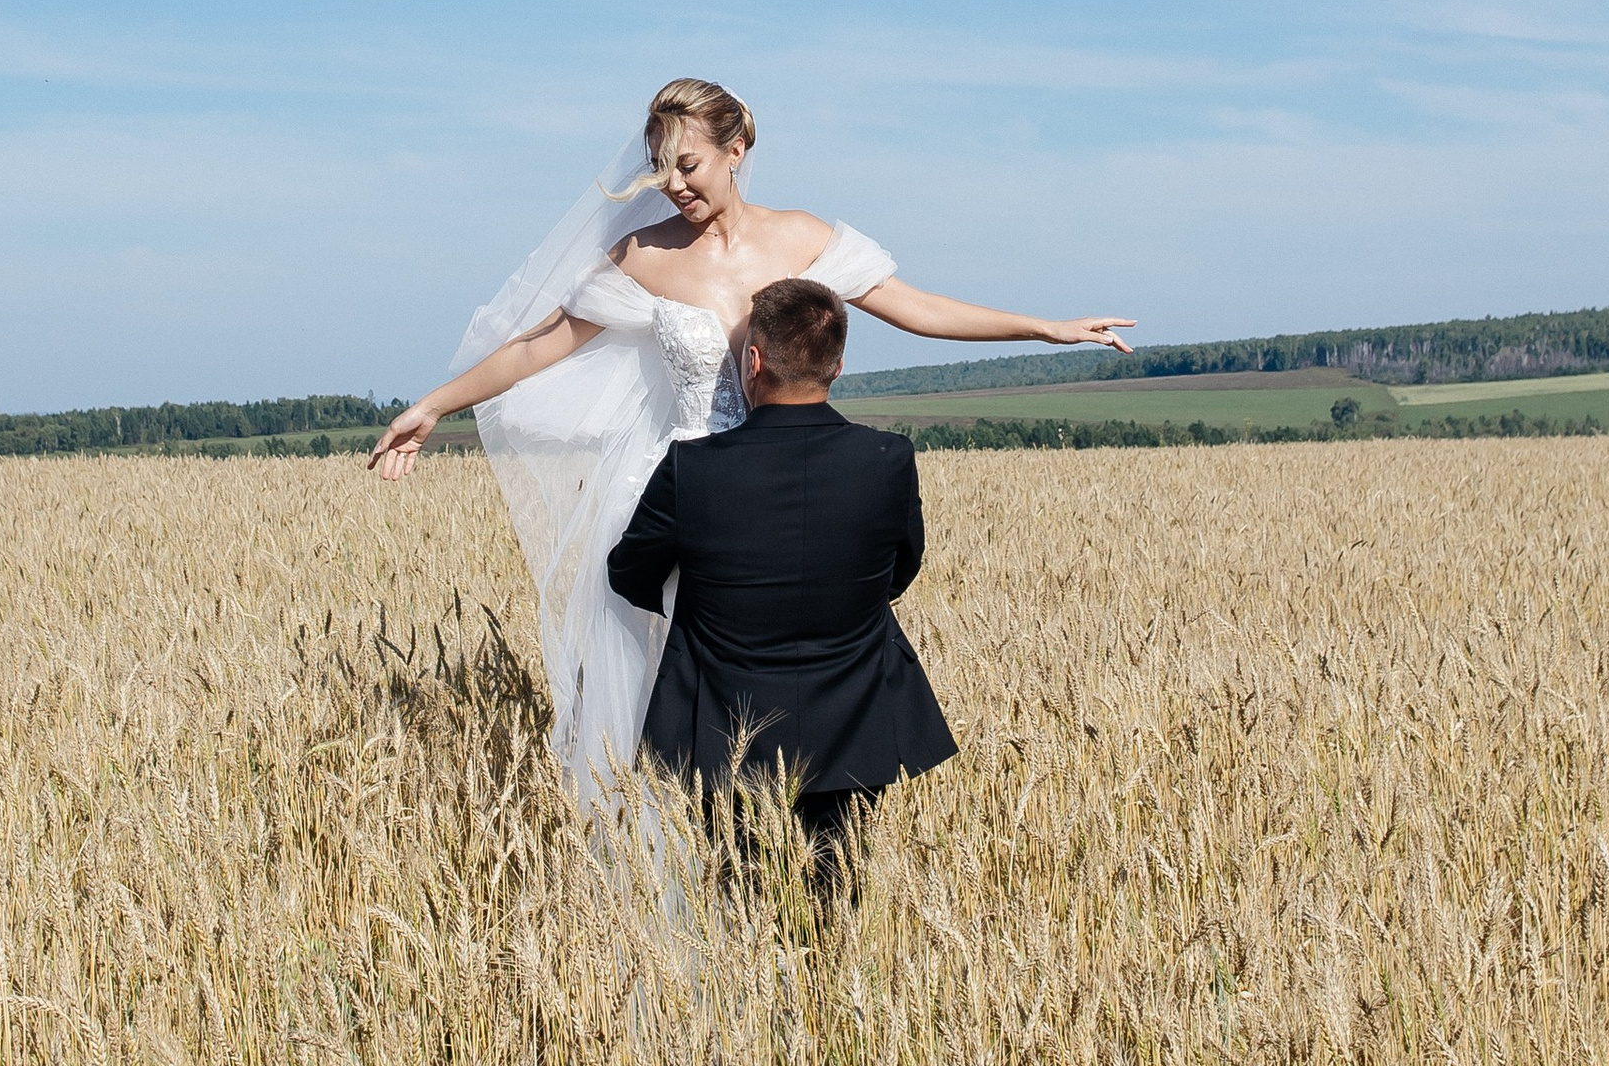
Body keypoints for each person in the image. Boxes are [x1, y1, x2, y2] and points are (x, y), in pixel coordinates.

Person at [371, 76, 1131, 800]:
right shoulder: (644, 255)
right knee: (678, 701)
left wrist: (1047, 328)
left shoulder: (806, 238)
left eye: (689, 163)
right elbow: (539, 346)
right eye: (661, 169)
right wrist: (435, 406)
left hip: (794, 491)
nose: (674, 184)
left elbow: (918, 307)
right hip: (685, 497)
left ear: (737, 149)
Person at [609, 273, 947, 891]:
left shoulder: (692, 468)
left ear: (753, 361)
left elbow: (629, 574)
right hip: (855, 723)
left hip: (722, 728)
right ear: (838, 365)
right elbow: (901, 569)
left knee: (737, 919)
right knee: (833, 908)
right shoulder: (889, 460)